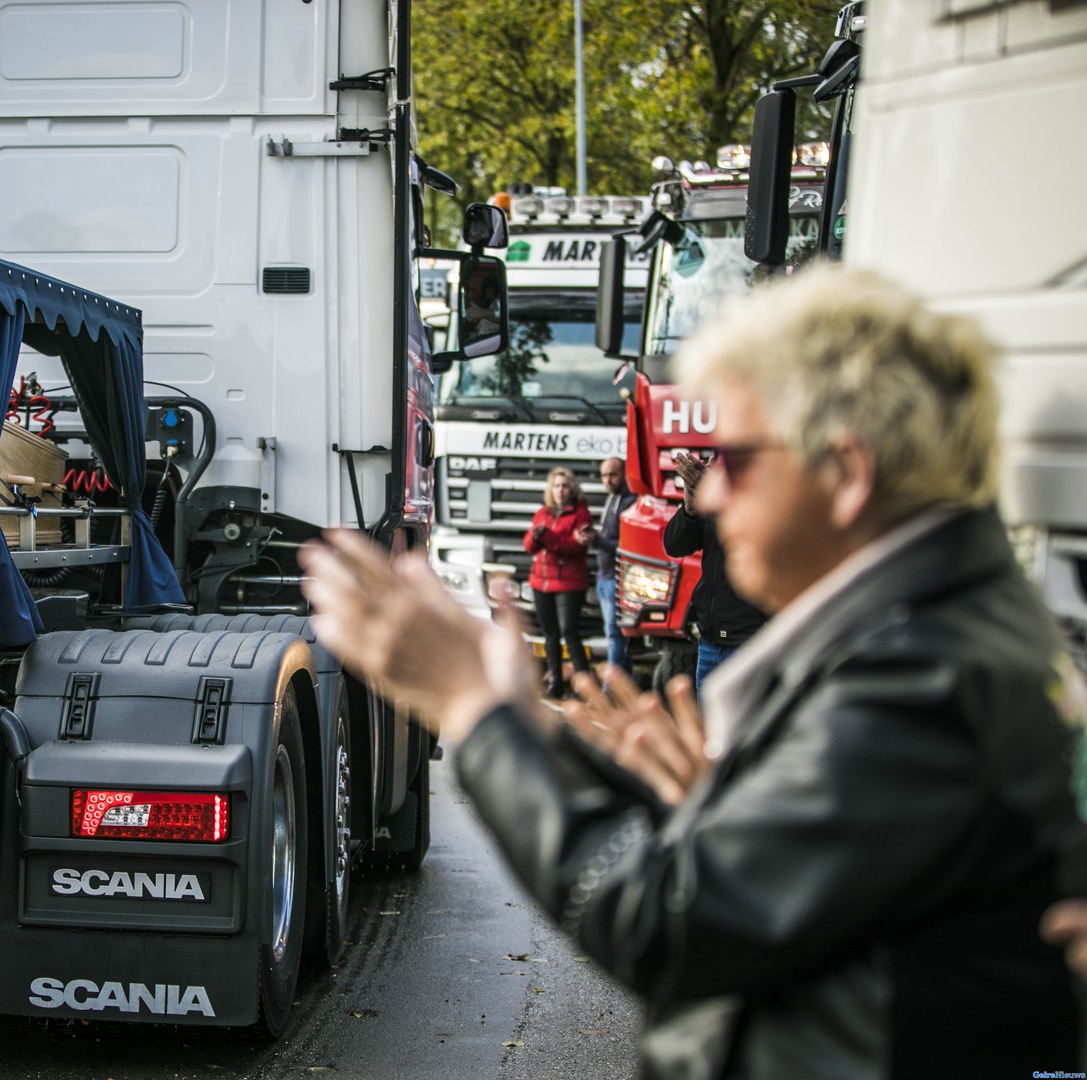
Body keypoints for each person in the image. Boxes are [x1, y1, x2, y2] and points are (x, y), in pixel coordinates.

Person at [298, 265, 1084, 1077]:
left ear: (846, 473)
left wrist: (470, 707)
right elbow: (812, 898)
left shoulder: (921, 670)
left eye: (736, 460)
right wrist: (561, 741)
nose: (708, 499)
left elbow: (674, 925)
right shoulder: (937, 626)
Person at [664, 449, 767, 688]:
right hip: (710, 644)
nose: (710, 467)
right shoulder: (713, 508)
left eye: (718, 465)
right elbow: (674, 545)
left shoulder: (762, 507)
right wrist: (690, 508)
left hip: (746, 645)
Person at [522, 467, 592, 698]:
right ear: (550, 490)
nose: (561, 490)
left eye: (565, 486)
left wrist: (546, 537)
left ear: (572, 489)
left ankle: (584, 687)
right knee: (549, 635)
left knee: (569, 634)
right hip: (541, 582)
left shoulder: (581, 515)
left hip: (569, 584)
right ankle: (556, 682)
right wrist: (535, 536)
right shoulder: (542, 513)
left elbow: (573, 548)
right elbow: (529, 547)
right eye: (556, 486)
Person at [590, 456, 637, 680]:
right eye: (604, 476)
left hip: (617, 578)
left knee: (614, 634)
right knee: (612, 632)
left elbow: (628, 546)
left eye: (612, 474)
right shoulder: (610, 499)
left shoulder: (630, 502)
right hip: (603, 576)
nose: (608, 480)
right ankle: (625, 683)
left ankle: (611, 686)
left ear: (625, 474)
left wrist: (596, 542)